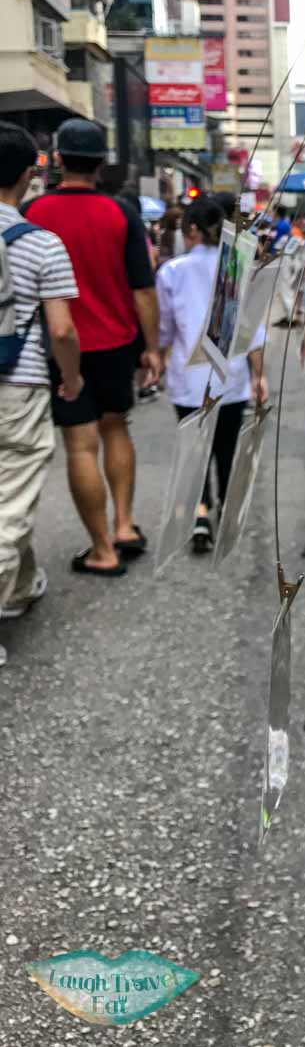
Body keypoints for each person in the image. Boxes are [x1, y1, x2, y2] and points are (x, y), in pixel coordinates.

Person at [24, 119, 160, 576]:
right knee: (116, 427)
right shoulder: (121, 213)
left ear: (58, 159)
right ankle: (125, 525)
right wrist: (153, 348)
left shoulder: (34, 213)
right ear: (102, 163)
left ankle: (102, 549)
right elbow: (143, 290)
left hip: (61, 349)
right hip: (118, 342)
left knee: (81, 446)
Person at [0, 125, 81, 656]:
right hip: (18, 384)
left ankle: (21, 586)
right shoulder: (41, 244)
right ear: (30, 175)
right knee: (10, 502)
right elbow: (61, 331)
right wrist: (71, 377)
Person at [156, 196, 268, 551]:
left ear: (191, 229)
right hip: (230, 377)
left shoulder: (172, 272)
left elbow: (165, 330)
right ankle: (225, 510)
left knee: (194, 448)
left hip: (187, 378)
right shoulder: (236, 266)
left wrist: (156, 358)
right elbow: (252, 330)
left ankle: (200, 512)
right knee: (226, 444)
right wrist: (259, 375)